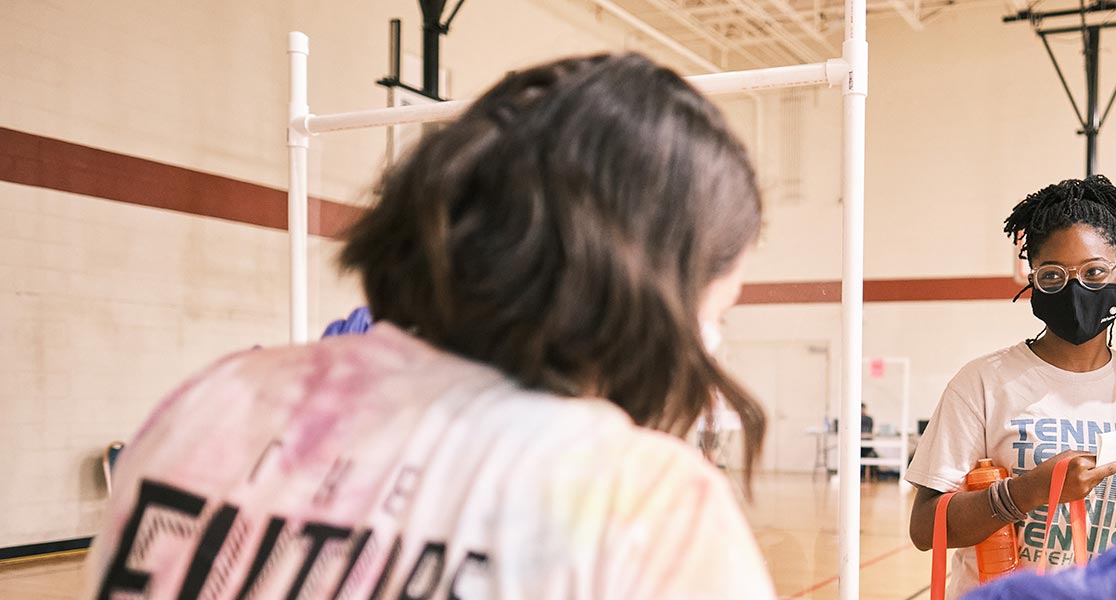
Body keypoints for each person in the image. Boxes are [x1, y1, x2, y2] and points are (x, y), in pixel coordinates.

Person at [83, 53, 777, 598]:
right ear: (645, 298)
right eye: (713, 316)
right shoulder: (642, 506)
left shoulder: (207, 405)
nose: (707, 348)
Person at [908, 176, 1116, 598]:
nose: (1075, 288)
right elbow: (925, 528)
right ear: (1033, 281)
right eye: (1054, 275)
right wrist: (1031, 489)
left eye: (1094, 271)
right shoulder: (983, 382)